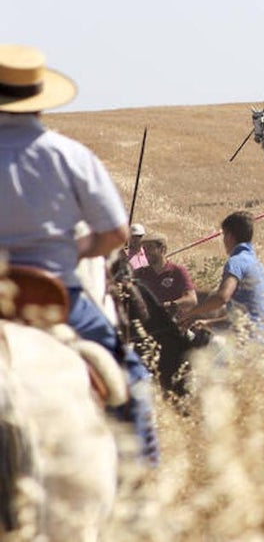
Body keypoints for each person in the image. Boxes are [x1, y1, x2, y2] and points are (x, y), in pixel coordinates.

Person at [0, 44, 159, 464]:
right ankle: (142, 490)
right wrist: (75, 250)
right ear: (38, 100)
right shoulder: (68, 155)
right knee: (131, 378)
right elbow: (114, 234)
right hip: (55, 300)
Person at [180, 211, 264, 345]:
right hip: (258, 338)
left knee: (196, 359)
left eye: (224, 235)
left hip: (240, 342)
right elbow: (244, 315)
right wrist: (208, 323)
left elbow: (221, 297)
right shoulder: (257, 264)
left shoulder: (236, 262)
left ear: (229, 236)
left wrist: (190, 313)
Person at [133, 232, 199, 319]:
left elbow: (191, 300)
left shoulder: (177, 271)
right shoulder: (140, 273)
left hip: (170, 322)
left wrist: (169, 305)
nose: (146, 252)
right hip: (147, 322)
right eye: (144, 249)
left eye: (150, 247)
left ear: (162, 249)